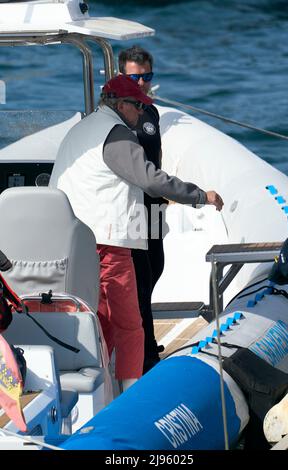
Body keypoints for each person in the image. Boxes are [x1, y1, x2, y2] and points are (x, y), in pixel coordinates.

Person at [50, 74, 223, 391]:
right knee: (130, 325)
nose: (142, 114)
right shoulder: (116, 135)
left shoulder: (82, 129)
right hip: (109, 244)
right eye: (139, 107)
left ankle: (97, 387)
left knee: (96, 320)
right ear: (122, 104)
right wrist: (200, 196)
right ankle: (133, 392)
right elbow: (152, 181)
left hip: (74, 242)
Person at [118, 46, 167, 372]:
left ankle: (146, 341)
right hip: (133, 208)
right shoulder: (120, 116)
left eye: (146, 76)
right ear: (122, 76)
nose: (142, 82)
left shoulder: (150, 111)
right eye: (135, 76)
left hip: (154, 207)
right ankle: (146, 352)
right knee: (141, 277)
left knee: (157, 267)